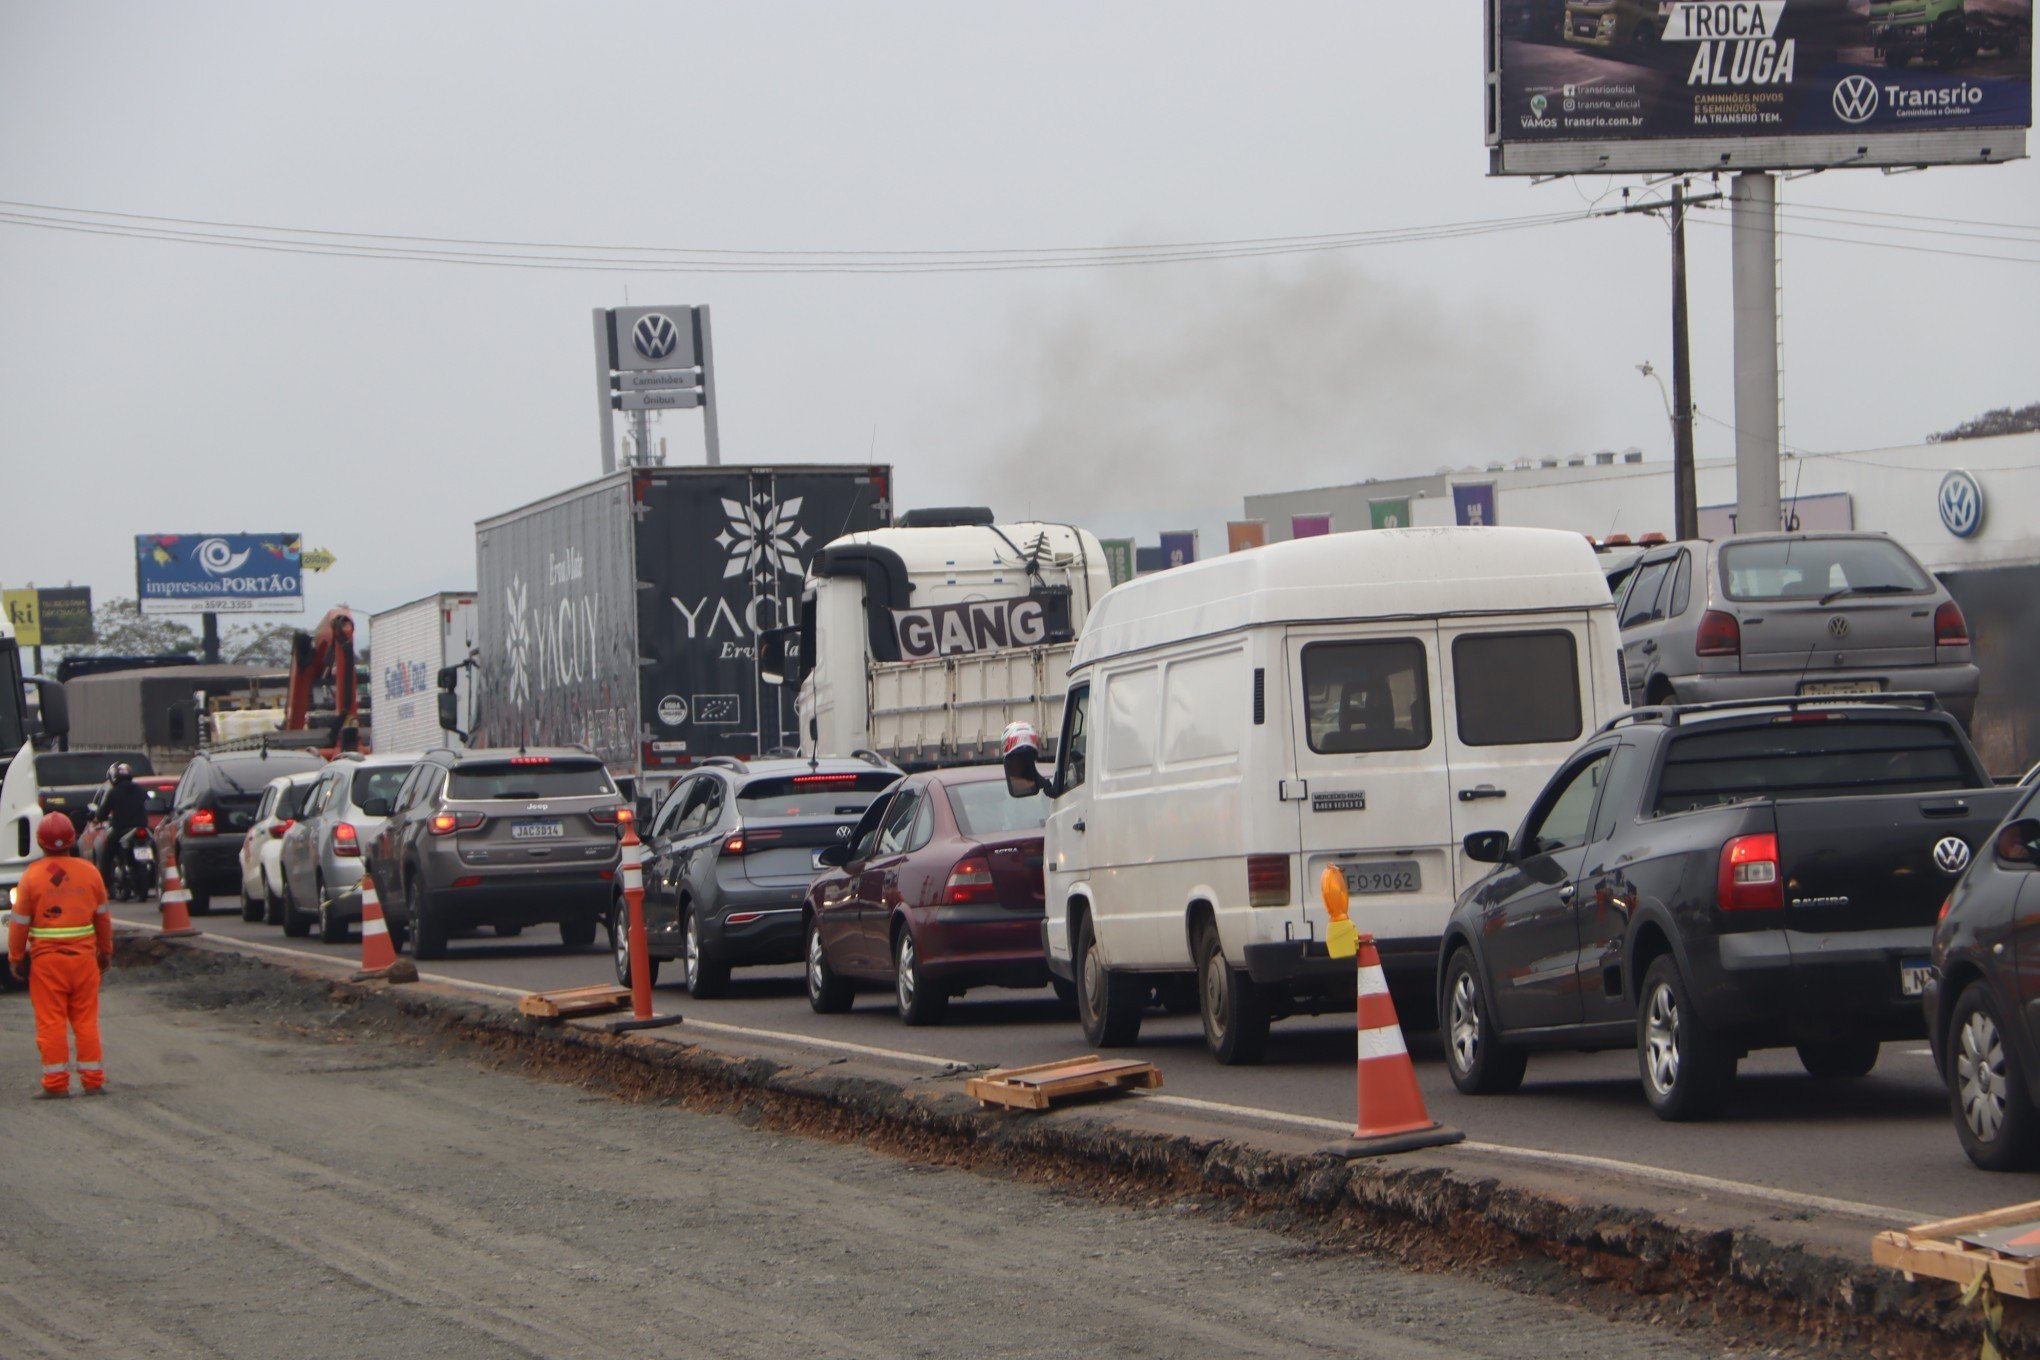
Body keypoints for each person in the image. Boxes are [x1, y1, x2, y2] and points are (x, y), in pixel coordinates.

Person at [8, 813, 113, 1099]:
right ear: (72, 839)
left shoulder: (31, 877)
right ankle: (93, 1081)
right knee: (86, 1020)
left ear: (40, 843)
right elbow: (102, 918)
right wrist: (105, 952)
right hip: (83, 960)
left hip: (47, 964)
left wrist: (16, 957)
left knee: (51, 1021)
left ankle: (55, 1084)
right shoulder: (89, 873)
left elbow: (19, 923)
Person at [98, 761, 150, 885]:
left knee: (107, 854)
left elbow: (102, 813)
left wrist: (100, 817)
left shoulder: (113, 793)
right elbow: (149, 803)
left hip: (121, 829)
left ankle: (105, 885)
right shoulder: (141, 790)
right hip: (142, 828)